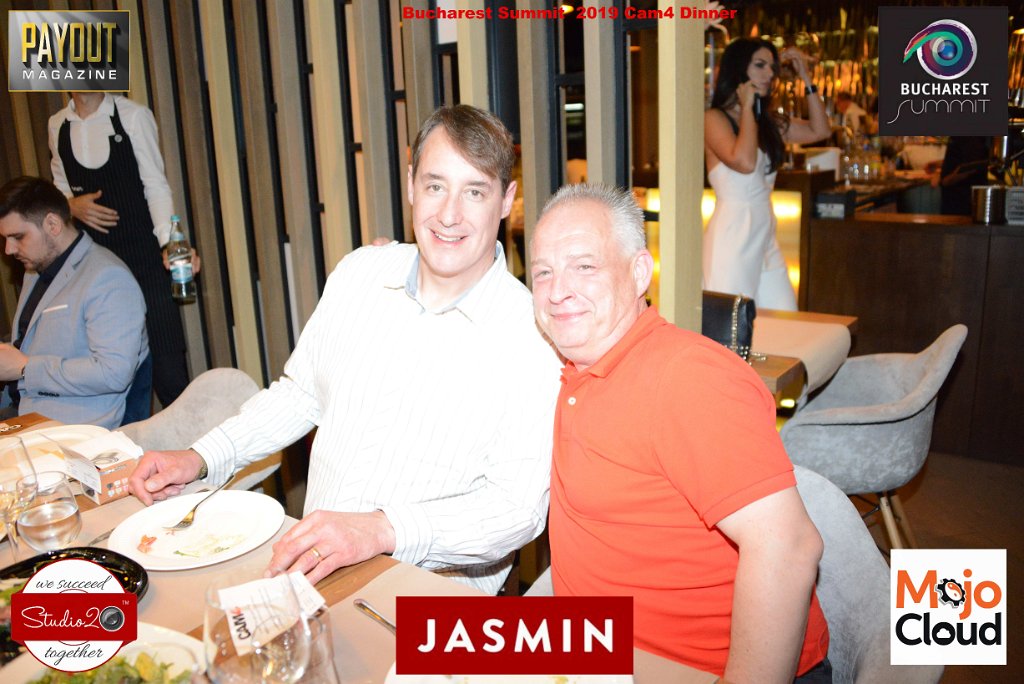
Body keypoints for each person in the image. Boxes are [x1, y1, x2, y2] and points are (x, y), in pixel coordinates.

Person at [127, 105, 562, 594]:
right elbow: (300, 395)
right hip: (306, 572)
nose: (449, 215)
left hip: (424, 596)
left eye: (474, 192)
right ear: (411, 185)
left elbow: (514, 510)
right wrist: (201, 457)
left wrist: (381, 531)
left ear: (506, 201)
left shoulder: (536, 338)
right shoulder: (360, 275)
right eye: (435, 186)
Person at [530, 184, 830, 682]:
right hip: (587, 652)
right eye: (543, 272)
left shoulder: (687, 378)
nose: (558, 290)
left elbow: (789, 548)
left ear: (639, 273)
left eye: (584, 266)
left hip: (693, 670)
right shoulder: (573, 362)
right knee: (410, 644)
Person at [48, 92, 198, 416]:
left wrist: (169, 244)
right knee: (116, 376)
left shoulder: (133, 116)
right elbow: (59, 188)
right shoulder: (57, 125)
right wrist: (70, 206)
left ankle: (193, 444)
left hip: (146, 261)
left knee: (170, 372)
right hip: (98, 273)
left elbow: (156, 186)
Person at [0, 176, 148, 429]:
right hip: (23, 412)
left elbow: (113, 373)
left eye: (18, 237)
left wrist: (25, 368)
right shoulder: (34, 271)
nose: (8, 250)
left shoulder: (107, 277)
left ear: (52, 224)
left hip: (71, 425)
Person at [703, 38, 830, 310]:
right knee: (733, 324)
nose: (769, 74)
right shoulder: (714, 118)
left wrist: (806, 77)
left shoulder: (768, 122)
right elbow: (745, 162)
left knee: (786, 315)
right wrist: (748, 107)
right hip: (734, 234)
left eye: (772, 67)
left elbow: (820, 130)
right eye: (760, 65)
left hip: (765, 230)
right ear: (738, 68)